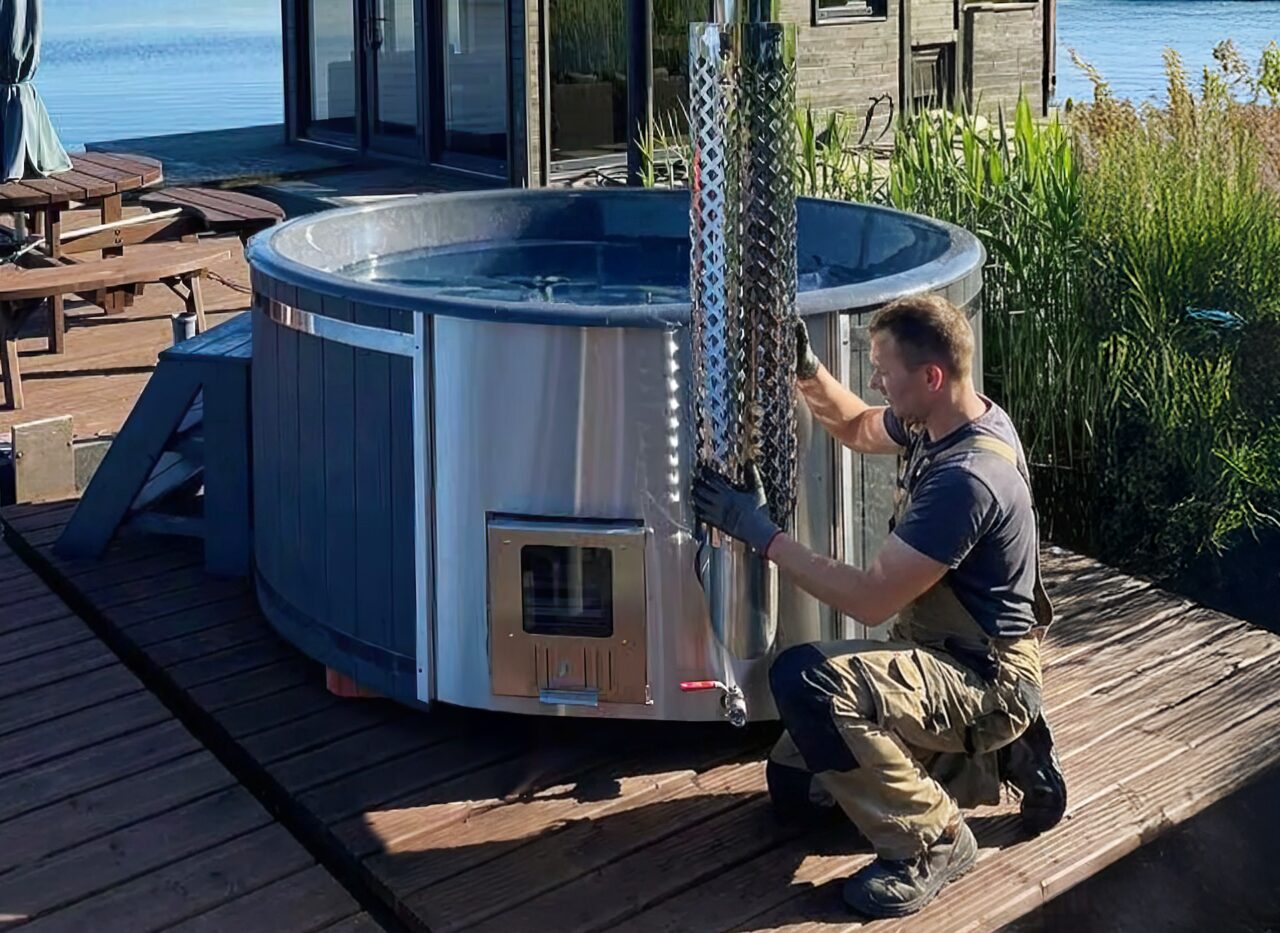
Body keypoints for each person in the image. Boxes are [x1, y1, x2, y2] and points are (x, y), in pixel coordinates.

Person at [691, 293, 1067, 919]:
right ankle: (1000, 755)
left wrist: (762, 536)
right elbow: (860, 426)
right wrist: (805, 368)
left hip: (982, 674)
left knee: (808, 681)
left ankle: (935, 842)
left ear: (931, 376)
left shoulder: (966, 480)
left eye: (883, 370)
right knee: (797, 792)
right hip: (939, 652)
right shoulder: (945, 418)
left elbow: (869, 600)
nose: (874, 381)